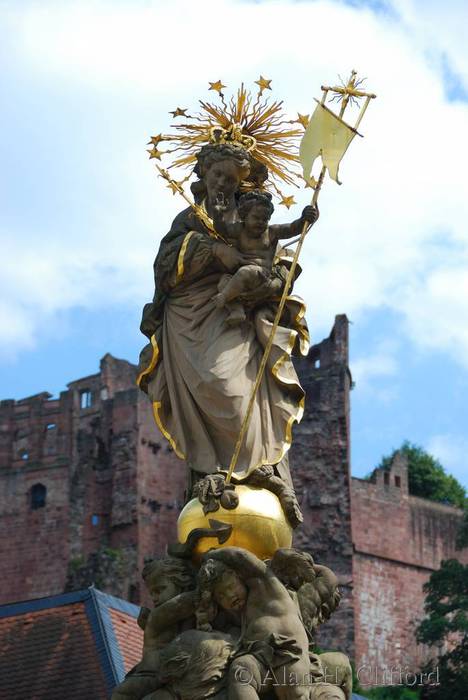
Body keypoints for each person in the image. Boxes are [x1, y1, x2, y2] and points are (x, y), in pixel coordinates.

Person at [137, 143, 313, 524]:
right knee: (207, 386)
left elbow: (281, 264)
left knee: (236, 392)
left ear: (240, 182)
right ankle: (211, 472)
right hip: (190, 318)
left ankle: (258, 470)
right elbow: (164, 267)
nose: (222, 183)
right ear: (203, 175)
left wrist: (270, 281)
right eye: (217, 175)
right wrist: (216, 252)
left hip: (238, 320)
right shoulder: (190, 219)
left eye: (231, 179)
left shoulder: (251, 218)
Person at [197, 547, 313, 700]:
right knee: (240, 670)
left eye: (231, 587)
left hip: (290, 652)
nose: (230, 595)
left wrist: (209, 555)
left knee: (294, 692)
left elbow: (241, 555)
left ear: (238, 575)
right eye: (221, 595)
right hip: (261, 660)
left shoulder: (264, 584)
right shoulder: (240, 615)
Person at [212, 190, 318, 325]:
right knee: (223, 281)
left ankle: (223, 298)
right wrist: (217, 213)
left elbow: (291, 228)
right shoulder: (239, 230)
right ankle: (237, 310)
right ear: (244, 216)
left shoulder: (272, 232)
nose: (261, 222)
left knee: (246, 272)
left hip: (262, 276)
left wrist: (304, 219)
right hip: (240, 278)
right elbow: (222, 229)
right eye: (256, 217)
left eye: (265, 219)